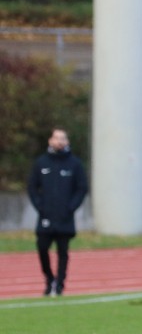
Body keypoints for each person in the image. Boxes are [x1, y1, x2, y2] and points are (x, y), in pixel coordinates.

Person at [26, 127, 88, 297]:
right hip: (46, 216)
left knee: (63, 251)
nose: (59, 141)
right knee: (42, 248)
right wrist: (40, 206)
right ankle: (49, 278)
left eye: (63, 138)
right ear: (50, 141)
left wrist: (71, 207)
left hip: (65, 217)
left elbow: (82, 188)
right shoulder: (41, 163)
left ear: (67, 142)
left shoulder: (74, 164)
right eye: (56, 138)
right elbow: (32, 187)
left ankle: (60, 284)